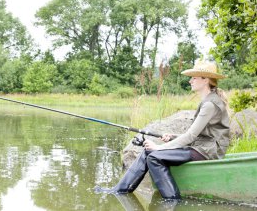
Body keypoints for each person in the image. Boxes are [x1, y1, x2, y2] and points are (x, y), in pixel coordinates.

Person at [95, 60, 230, 200]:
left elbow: (191, 136)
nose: (190, 81)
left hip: (208, 151)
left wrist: (159, 148)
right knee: (149, 152)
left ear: (205, 80)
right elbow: (199, 134)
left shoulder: (210, 104)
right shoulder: (208, 100)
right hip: (201, 147)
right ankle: (120, 190)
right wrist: (172, 136)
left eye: (194, 78)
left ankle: (172, 200)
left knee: (154, 156)